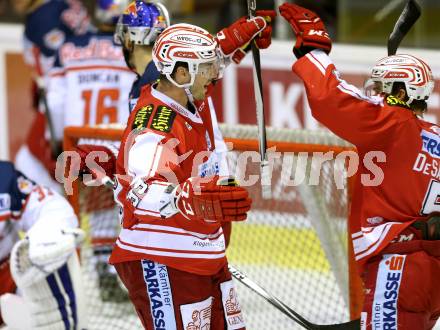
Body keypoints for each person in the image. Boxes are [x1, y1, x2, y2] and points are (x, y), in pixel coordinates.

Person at [279, 3, 440, 329]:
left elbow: (331, 98)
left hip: (398, 266)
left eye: (382, 87)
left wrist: (313, 49)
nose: (375, 92)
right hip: (431, 272)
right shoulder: (433, 135)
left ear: (400, 91)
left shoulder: (393, 124)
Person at [108, 16, 275, 329]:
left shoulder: (189, 93)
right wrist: (185, 198)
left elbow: (215, 61)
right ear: (182, 72)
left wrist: (239, 36)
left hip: (201, 248)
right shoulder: (155, 123)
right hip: (162, 255)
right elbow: (139, 190)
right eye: (207, 67)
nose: (214, 74)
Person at [14, 0, 92, 191]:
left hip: (71, 101)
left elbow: (59, 70)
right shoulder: (65, 4)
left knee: (29, 162)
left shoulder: (43, 16)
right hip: (91, 97)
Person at [0, 161, 86, 329]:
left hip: (7, 272)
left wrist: (44, 238)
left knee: (50, 256)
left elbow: (52, 206)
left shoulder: (3, 178)